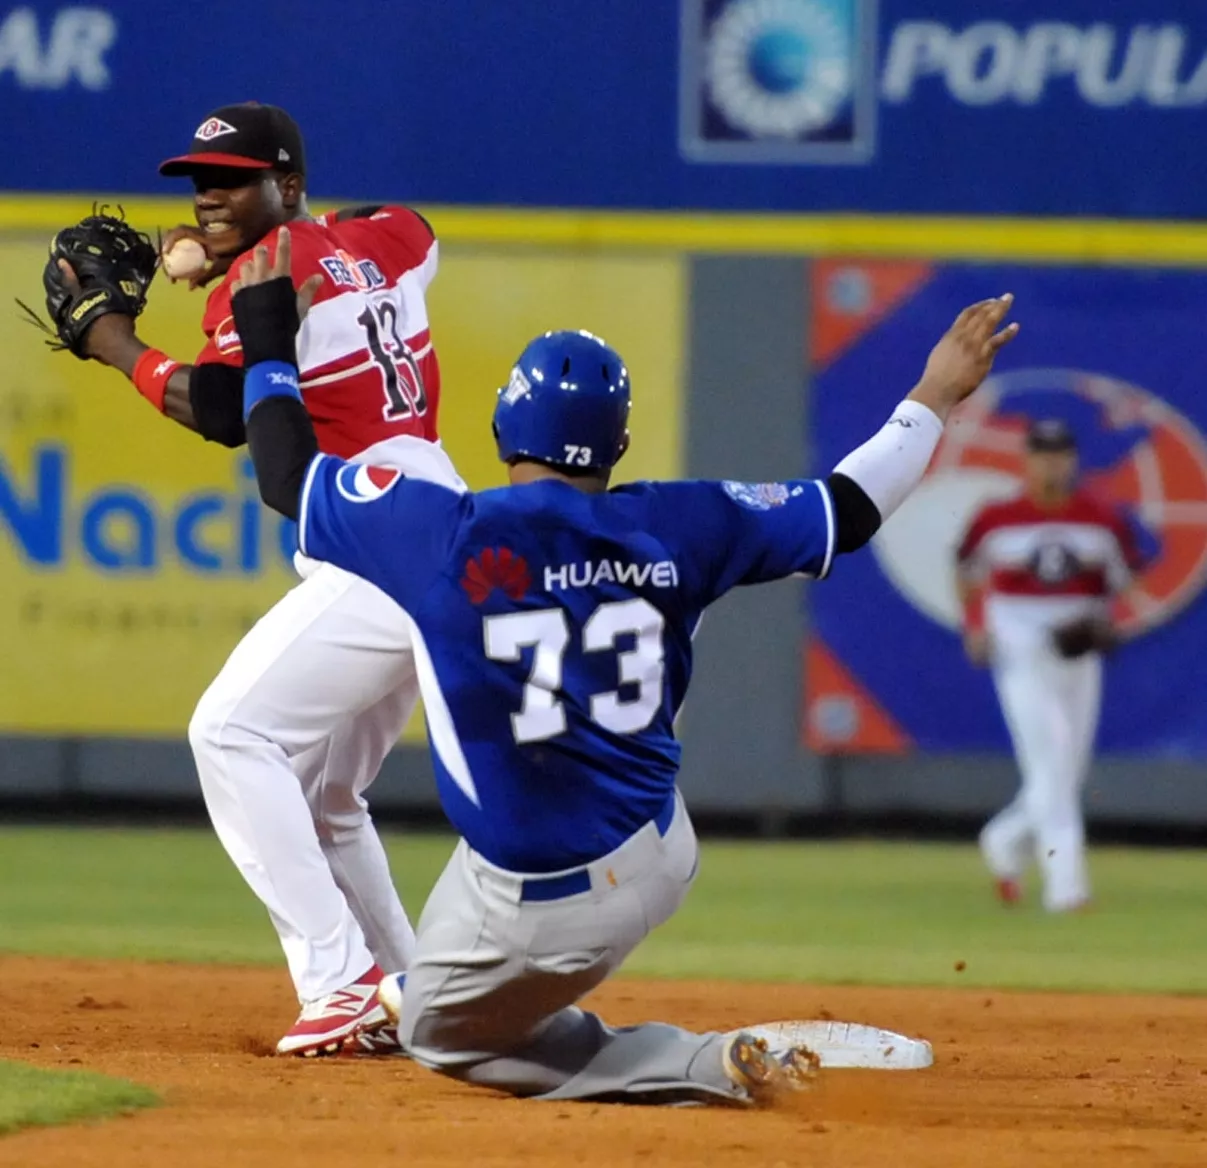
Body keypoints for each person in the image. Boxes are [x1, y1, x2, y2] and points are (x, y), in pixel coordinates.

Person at [230, 232, 1017, 1102]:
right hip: (655, 851)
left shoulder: (438, 534)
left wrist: (266, 343)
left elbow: (285, 473)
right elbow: (850, 506)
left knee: (437, 1036)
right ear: (619, 442)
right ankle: (424, 982)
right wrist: (934, 392)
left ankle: (689, 1061)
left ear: (498, 427)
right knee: (430, 965)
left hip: (539, 900)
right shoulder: (683, 522)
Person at [67, 102, 464, 1055]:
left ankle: (336, 983)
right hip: (442, 514)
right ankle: (415, 997)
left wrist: (111, 339)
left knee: (230, 733)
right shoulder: (389, 241)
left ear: (283, 182)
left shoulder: (254, 281)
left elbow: (220, 409)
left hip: (373, 535)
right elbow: (408, 221)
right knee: (327, 796)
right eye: (199, 180)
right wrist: (241, 232)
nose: (208, 194)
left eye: (232, 178)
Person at [956, 419, 1144, 912]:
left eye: (1060, 453)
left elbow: (1123, 583)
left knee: (1065, 772)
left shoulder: (1102, 517)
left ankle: (1003, 838)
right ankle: (1067, 889)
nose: (1051, 462)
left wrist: (1105, 621)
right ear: (1026, 459)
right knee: (1050, 766)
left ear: (1074, 459)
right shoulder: (997, 517)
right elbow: (966, 570)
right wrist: (975, 625)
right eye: (1042, 453)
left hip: (1076, 653)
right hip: (1020, 652)